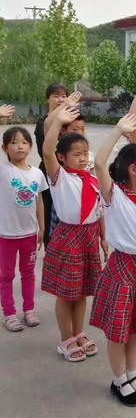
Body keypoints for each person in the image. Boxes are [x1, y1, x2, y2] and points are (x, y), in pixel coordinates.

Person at [89, 114, 136, 406]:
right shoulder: (114, 194)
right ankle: (118, 380)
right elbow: (100, 163)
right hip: (122, 268)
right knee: (119, 329)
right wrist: (118, 130)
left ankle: (132, 372)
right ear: (133, 169)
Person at [41, 106, 104, 362]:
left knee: (81, 292)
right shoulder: (60, 177)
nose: (81, 157)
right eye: (75, 154)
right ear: (62, 157)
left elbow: (99, 211)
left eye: (84, 153)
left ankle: (79, 333)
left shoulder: (91, 179)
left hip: (89, 238)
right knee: (66, 292)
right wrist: (57, 122)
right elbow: (46, 150)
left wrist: (103, 237)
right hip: (69, 238)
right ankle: (65, 338)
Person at [0, 118, 48, 332]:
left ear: (30, 146)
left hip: (29, 234)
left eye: (24, 142)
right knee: (6, 275)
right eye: (13, 142)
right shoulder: (3, 170)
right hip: (5, 235)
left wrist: (42, 227)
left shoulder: (37, 173)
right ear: (4, 148)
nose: (20, 146)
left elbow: (39, 202)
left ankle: (29, 310)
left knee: (28, 273)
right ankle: (9, 313)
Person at [34, 84, 69, 246]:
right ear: (48, 99)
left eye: (63, 96)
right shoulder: (43, 122)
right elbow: (45, 151)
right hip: (49, 172)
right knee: (50, 211)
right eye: (56, 96)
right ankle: (50, 245)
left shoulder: (70, 122)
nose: (60, 99)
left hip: (69, 172)